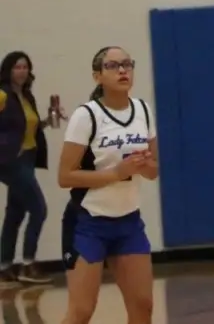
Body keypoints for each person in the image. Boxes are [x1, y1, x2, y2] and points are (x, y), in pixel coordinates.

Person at [58, 46, 158, 324]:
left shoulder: (143, 110)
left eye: (127, 64)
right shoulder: (86, 116)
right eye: (113, 66)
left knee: (143, 306)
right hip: (88, 223)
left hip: (129, 223)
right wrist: (116, 172)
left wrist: (145, 166)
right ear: (97, 76)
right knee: (81, 312)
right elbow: (65, 176)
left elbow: (154, 171)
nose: (122, 70)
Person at [0, 51, 60, 285]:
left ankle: (4, 267)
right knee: (39, 209)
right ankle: (28, 264)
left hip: (27, 158)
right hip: (11, 161)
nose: (22, 71)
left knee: (15, 214)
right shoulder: (2, 95)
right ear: (8, 70)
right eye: (17, 67)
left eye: (25, 67)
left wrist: (47, 121)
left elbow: (27, 128)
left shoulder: (25, 96)